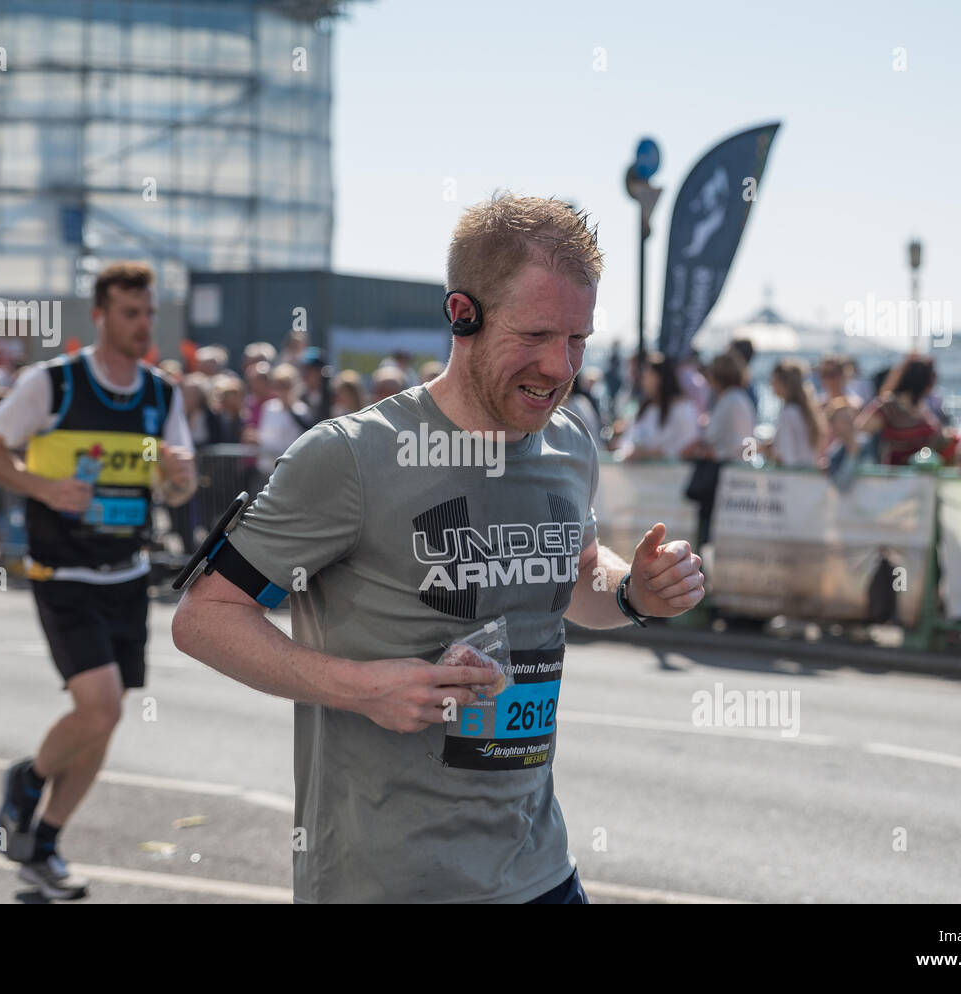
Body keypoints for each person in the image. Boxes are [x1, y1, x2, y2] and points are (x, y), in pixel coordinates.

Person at [171, 193, 705, 904]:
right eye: (537, 333)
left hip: (538, 870)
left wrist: (633, 590)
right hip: (388, 883)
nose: (559, 366)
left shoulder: (568, 442)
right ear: (463, 315)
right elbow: (204, 617)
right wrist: (364, 689)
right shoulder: (351, 458)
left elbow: (575, 579)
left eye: (578, 339)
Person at [0, 262, 197, 900]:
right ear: (99, 316)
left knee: (105, 719)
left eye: (148, 312)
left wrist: (178, 474)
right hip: (63, 570)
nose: (142, 324)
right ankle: (27, 779)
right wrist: (43, 487)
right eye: (130, 313)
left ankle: (44, 846)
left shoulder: (161, 394)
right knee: (100, 705)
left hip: (126, 574)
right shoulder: (54, 384)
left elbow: (178, 484)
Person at [856, 355, 954, 466]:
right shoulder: (888, 406)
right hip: (894, 476)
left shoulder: (922, 405)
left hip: (923, 474)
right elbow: (860, 430)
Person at [617, 352, 698, 461]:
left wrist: (652, 453)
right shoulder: (647, 408)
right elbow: (628, 438)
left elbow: (689, 445)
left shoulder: (683, 408)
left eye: (647, 375)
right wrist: (631, 450)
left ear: (659, 378)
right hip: (641, 475)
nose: (643, 381)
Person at [683, 352, 756, 462]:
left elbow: (726, 441)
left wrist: (705, 451)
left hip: (727, 468)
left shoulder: (731, 401)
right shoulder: (735, 398)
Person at [766, 359, 826, 468]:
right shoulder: (803, 410)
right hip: (807, 474)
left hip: (793, 478)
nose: (771, 383)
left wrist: (767, 452)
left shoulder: (789, 413)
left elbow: (787, 457)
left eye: (774, 380)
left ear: (783, 383)